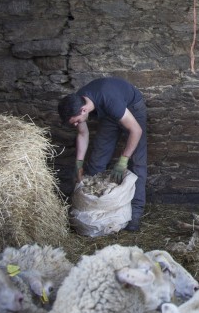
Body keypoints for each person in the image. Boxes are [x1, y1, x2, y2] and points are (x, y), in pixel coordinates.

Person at [58, 77, 147, 232]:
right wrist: (78, 164)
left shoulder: (109, 99)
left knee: (137, 162)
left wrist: (123, 161)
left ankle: (136, 213)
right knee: (97, 159)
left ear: (84, 110)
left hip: (132, 108)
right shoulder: (77, 103)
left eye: (77, 121)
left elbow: (136, 130)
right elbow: (82, 134)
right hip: (109, 114)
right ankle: (93, 209)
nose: (76, 124)